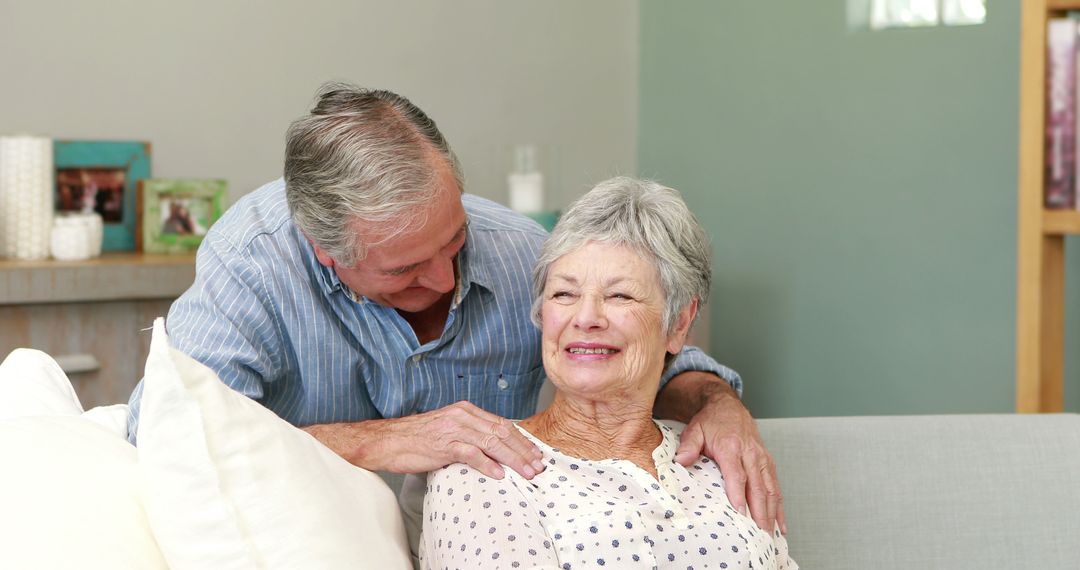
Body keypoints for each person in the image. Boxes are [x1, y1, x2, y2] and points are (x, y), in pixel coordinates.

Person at [125, 83, 783, 533]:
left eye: (453, 238)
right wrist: (373, 440)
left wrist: (716, 402)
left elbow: (638, 354)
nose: (444, 277)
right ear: (329, 255)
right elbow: (162, 436)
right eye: (407, 270)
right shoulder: (255, 264)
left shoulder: (516, 249)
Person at [421, 177, 795, 569]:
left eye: (620, 296)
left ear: (678, 324)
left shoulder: (724, 463)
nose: (585, 318)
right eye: (564, 294)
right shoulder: (485, 470)